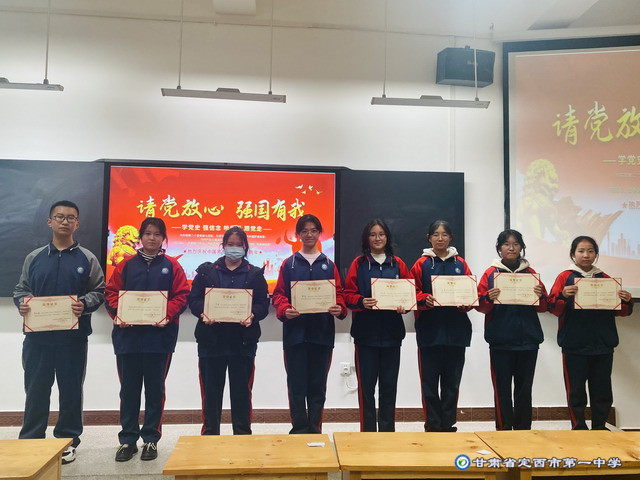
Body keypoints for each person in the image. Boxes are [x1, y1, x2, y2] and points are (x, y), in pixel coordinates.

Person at [13, 200, 105, 465]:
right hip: (37, 339)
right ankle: (31, 440)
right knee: (36, 389)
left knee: (71, 391)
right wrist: (23, 303)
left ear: (77, 223)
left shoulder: (87, 258)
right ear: (50, 222)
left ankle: (67, 440)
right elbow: (21, 289)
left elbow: (99, 291)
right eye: (60, 217)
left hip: (73, 339)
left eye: (70, 218)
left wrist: (84, 303)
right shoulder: (35, 257)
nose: (65, 221)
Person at [104, 217, 189, 462]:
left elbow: (182, 296)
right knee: (128, 391)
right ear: (140, 237)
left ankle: (151, 439)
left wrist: (166, 314)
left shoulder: (172, 266)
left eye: (157, 234)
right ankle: (127, 440)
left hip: (159, 339)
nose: (152, 238)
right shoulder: (126, 264)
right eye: (148, 233)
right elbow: (111, 293)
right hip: (128, 339)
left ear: (163, 238)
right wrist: (119, 314)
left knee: (155, 390)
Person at [188, 226, 269, 436]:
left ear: (245, 247)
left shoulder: (255, 274)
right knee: (211, 393)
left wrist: (253, 315)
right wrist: (203, 312)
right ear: (223, 246)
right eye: (230, 244)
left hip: (242, 342)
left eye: (238, 245)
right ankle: (210, 435)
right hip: (211, 341)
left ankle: (242, 435)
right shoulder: (206, 272)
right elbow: (194, 300)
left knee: (242, 393)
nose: (234, 248)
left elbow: (262, 304)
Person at [272, 214, 347, 434]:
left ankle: (315, 429)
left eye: (314, 230)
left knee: (317, 386)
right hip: (295, 336)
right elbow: (278, 295)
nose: (309, 235)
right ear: (298, 235)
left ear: (319, 233)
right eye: (304, 231)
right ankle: (298, 429)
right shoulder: (289, 263)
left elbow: (339, 294)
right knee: (296, 386)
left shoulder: (329, 264)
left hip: (322, 335)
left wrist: (339, 307)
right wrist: (285, 309)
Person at [548, 235, 633, 430]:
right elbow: (553, 308)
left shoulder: (606, 279)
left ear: (596, 254)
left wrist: (627, 300)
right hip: (574, 344)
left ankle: (599, 427)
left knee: (602, 390)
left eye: (590, 251)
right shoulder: (564, 277)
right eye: (581, 251)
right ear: (573, 254)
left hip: (602, 344)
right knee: (575, 391)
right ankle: (578, 428)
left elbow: (621, 311)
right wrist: (563, 295)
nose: (586, 255)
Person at [477, 229, 547, 430]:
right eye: (506, 244)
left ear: (521, 248)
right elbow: (480, 306)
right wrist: (488, 298)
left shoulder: (531, 274)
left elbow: (544, 307)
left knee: (525, 389)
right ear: (499, 248)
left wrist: (541, 295)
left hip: (529, 341)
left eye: (516, 244)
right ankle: (504, 429)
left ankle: (523, 430)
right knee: (502, 389)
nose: (511, 248)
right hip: (500, 341)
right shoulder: (490, 274)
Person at [343, 219, 409, 432]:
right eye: (373, 234)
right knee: (366, 389)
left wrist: (405, 306)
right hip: (365, 335)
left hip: (392, 335)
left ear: (387, 237)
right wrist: (361, 301)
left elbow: (410, 294)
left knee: (389, 388)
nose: (377, 238)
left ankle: (387, 433)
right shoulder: (359, 264)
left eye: (381, 234)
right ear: (367, 238)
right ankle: (368, 433)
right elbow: (347, 294)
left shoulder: (398, 264)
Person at [410, 220, 472, 432]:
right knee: (429, 383)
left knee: (452, 383)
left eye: (444, 234)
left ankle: (448, 424)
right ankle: (432, 424)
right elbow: (412, 291)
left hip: (457, 332)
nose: (440, 238)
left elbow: (470, 292)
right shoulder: (421, 264)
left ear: (451, 238)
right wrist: (424, 298)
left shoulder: (461, 264)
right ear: (429, 238)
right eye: (435, 234)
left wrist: (466, 303)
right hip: (430, 332)